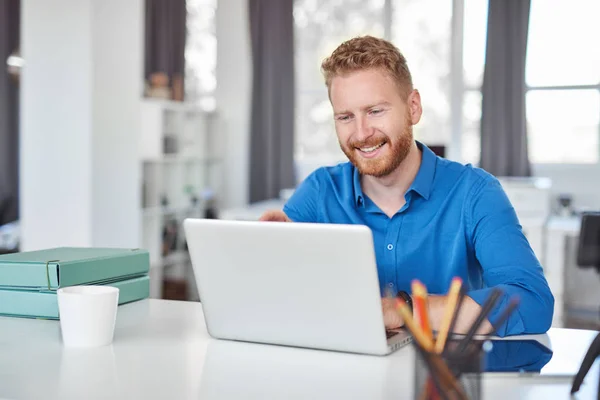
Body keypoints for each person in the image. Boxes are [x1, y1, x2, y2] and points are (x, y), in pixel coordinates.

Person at [260, 35, 554, 337]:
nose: (361, 133)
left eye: (375, 111)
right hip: (344, 377)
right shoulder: (320, 191)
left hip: (440, 379)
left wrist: (404, 311)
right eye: (346, 116)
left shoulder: (475, 193)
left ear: (413, 107)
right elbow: (275, 301)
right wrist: (271, 259)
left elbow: (532, 303)